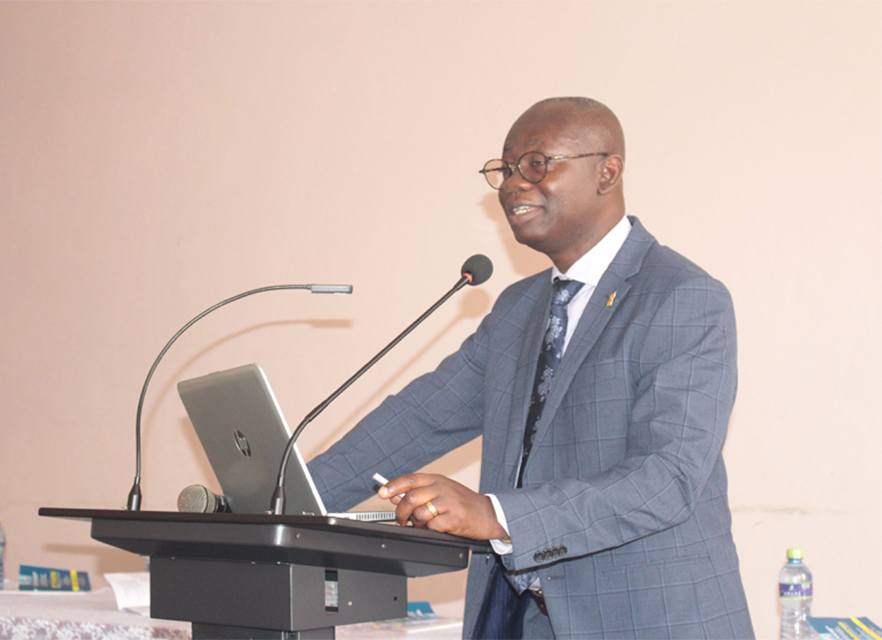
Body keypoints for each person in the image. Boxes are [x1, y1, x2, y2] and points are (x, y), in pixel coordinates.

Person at [308, 97, 754, 639]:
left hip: (646, 622)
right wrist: (286, 495)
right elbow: (418, 418)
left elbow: (667, 479)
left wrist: (496, 515)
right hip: (524, 621)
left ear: (606, 172)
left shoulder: (682, 297)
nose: (513, 184)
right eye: (505, 169)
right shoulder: (519, 309)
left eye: (537, 164)